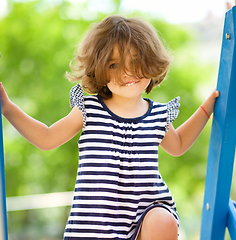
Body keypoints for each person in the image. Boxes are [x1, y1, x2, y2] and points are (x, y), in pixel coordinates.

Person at [1, 15, 219, 240]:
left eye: (135, 61)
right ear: (100, 69)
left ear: (151, 60)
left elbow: (179, 145)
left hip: (143, 221)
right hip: (94, 226)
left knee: (163, 220)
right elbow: (47, 138)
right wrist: (7, 108)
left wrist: (206, 109)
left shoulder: (156, 116)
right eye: (114, 64)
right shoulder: (90, 109)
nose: (127, 72)